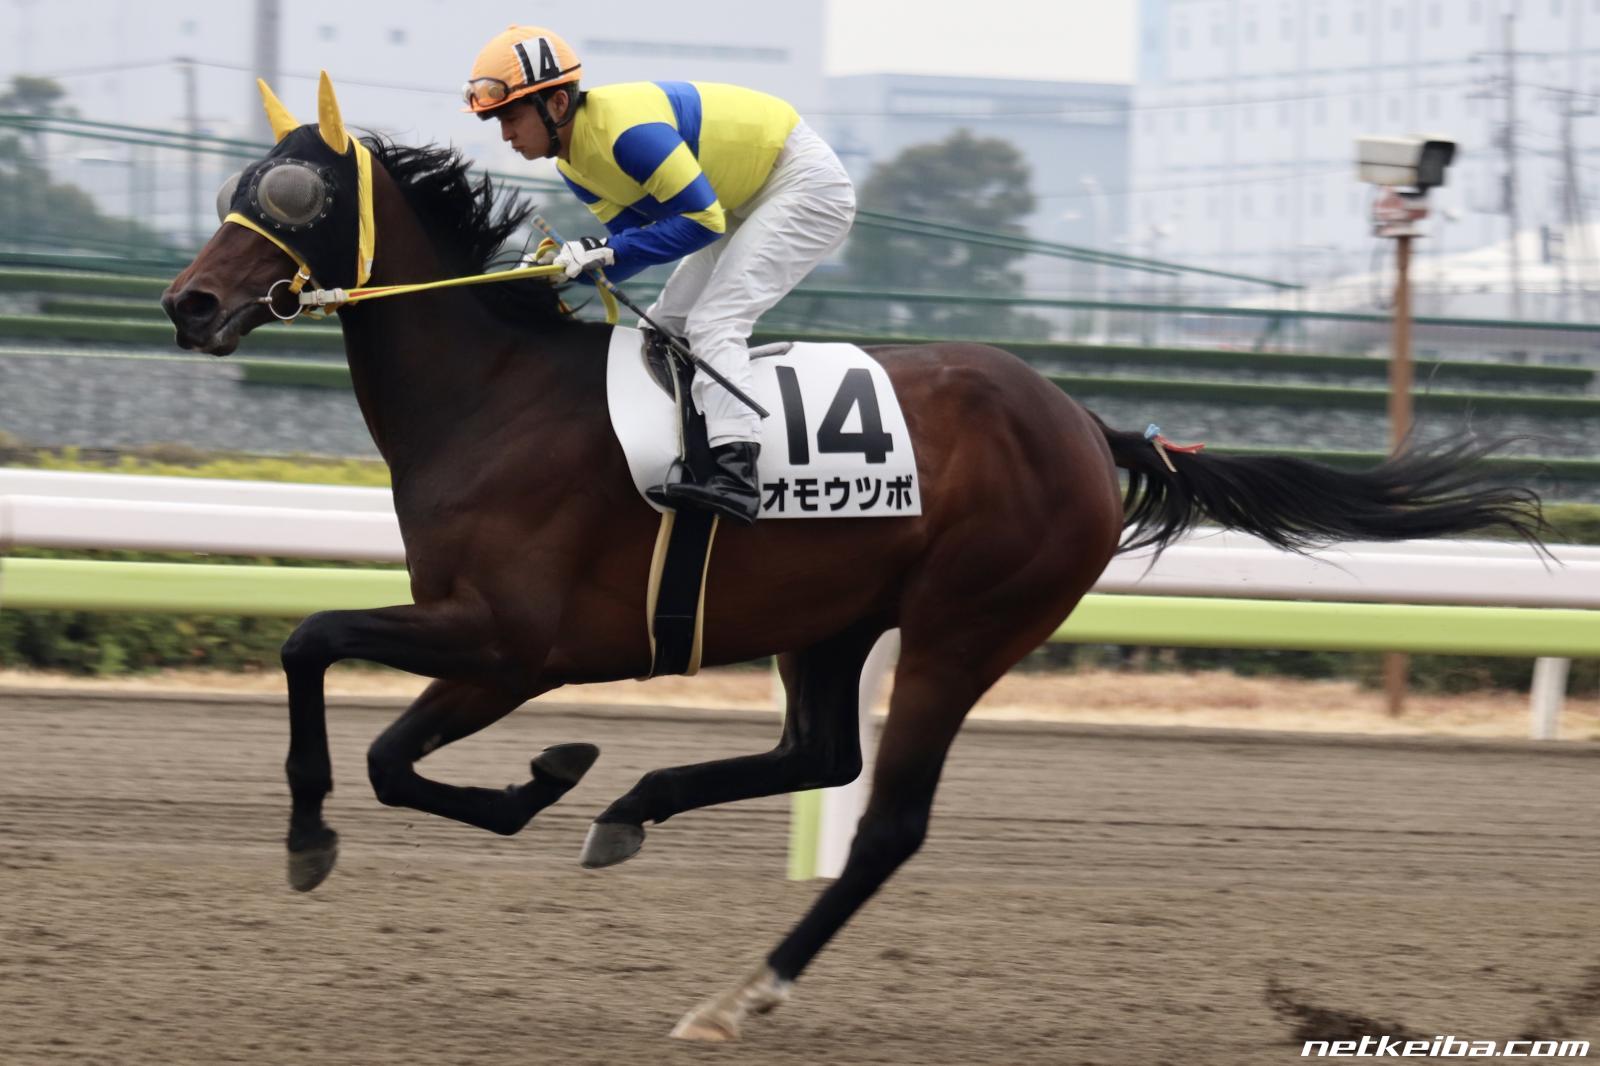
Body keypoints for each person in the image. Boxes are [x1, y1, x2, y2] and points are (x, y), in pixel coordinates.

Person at [464, 25, 857, 525]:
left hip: (803, 184)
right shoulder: (573, 165)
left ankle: (738, 476)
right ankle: (694, 454)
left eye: (511, 117)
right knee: (662, 327)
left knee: (714, 322)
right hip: (743, 200)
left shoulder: (627, 136)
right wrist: (568, 269)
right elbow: (635, 246)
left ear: (557, 104)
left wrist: (607, 250)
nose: (505, 135)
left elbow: (702, 222)